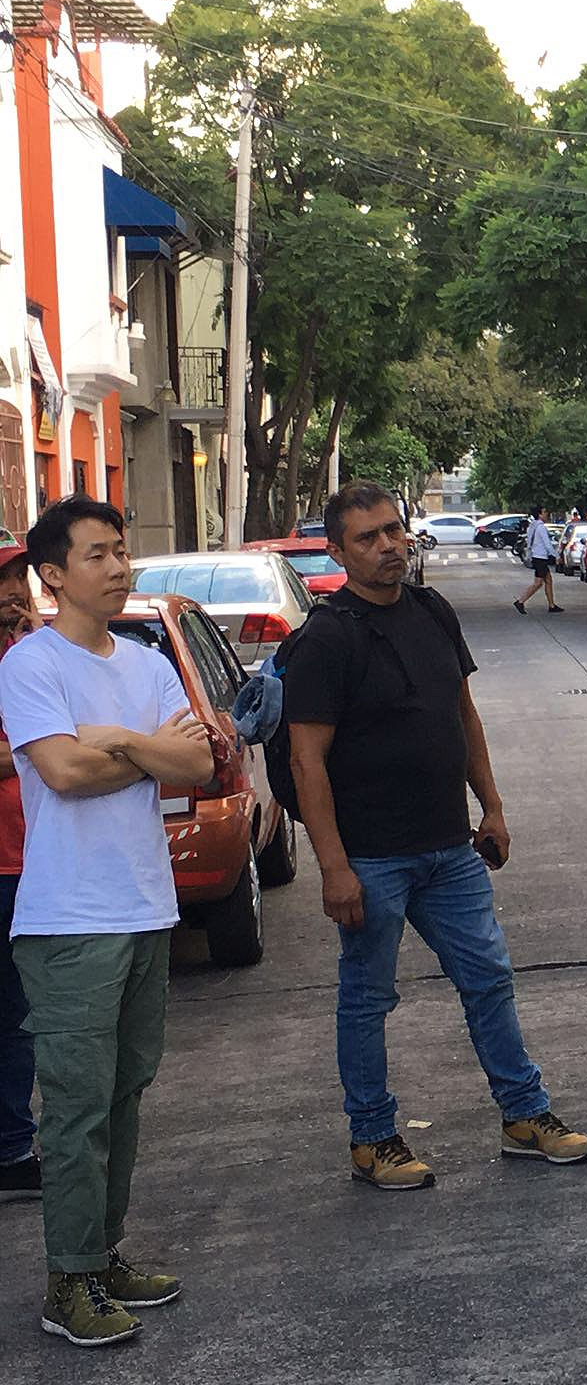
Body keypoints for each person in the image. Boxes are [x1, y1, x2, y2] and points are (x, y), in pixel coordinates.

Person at [287, 480, 587, 1191]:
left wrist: (492, 807)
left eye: (394, 530)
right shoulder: (328, 639)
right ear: (336, 551)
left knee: (488, 979)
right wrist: (333, 867)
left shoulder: (431, 611)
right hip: (370, 857)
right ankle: (372, 1137)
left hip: (448, 848)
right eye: (368, 537)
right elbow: (307, 763)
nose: (389, 545)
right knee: (368, 1000)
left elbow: (465, 718)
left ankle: (525, 1116)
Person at [1, 497, 214, 1347]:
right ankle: (68, 1282)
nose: (119, 567)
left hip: (146, 908)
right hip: (68, 921)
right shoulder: (28, 663)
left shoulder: (147, 662)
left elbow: (196, 760)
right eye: (99, 555)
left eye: (122, 552)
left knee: (125, 1094)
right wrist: (143, 754)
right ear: (53, 575)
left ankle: (103, 1252)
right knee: (77, 1109)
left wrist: (118, 739)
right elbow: (61, 773)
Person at [0, 542, 41, 1205]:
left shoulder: (29, 656)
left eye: (18, 579)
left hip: (30, 861)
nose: (15, 591)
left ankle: (13, 1146)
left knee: (19, 1014)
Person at [514, 506, 562, 614]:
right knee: (538, 583)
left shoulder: (533, 526)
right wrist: (556, 556)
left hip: (537, 556)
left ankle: (552, 605)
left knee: (548, 580)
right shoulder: (541, 528)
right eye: (544, 512)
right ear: (539, 514)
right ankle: (520, 601)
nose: (547, 514)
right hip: (540, 557)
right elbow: (547, 544)